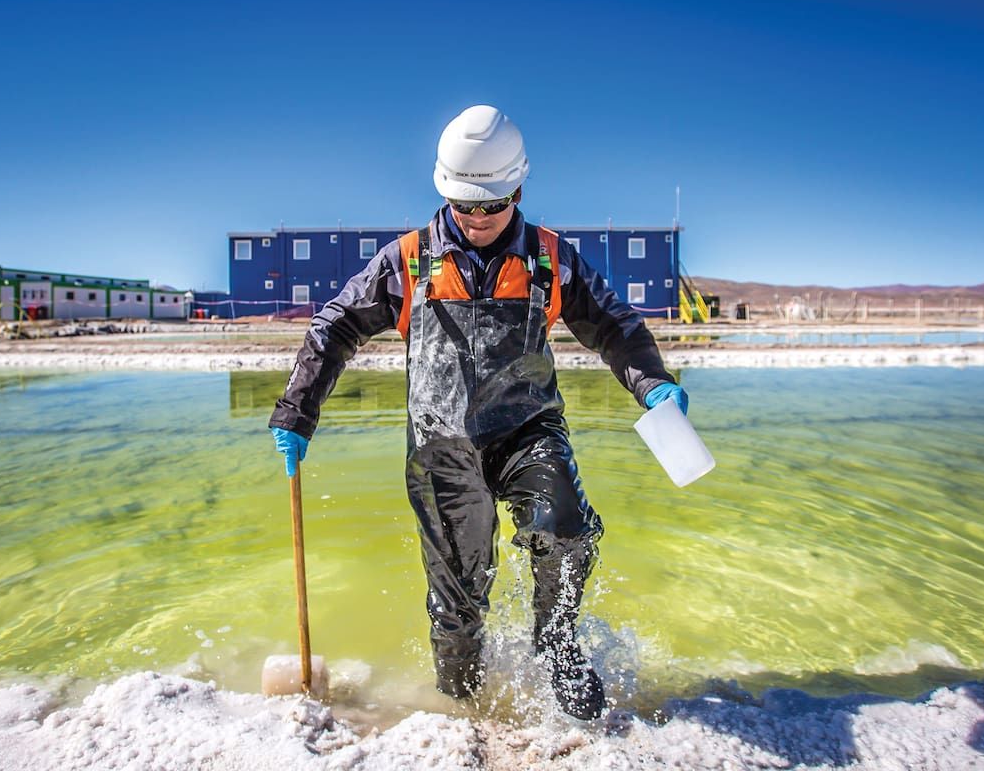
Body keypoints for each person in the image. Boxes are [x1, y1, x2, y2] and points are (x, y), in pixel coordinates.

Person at [269, 104, 688, 720]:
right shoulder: (408, 262)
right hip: (442, 448)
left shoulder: (550, 258)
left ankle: (557, 646)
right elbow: (335, 326)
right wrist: (296, 412)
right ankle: (463, 708)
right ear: (446, 193)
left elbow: (613, 325)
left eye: (492, 205)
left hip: (528, 432)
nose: (478, 218)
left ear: (517, 189)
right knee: (457, 604)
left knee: (565, 531)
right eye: (466, 206)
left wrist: (652, 383)